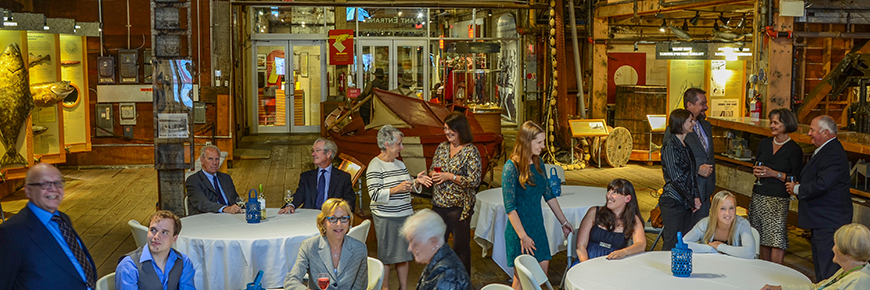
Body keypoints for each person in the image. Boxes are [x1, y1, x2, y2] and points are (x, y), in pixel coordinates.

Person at [0, 163, 98, 289]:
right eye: (44, 184)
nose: (53, 189)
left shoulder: (63, 219)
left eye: (58, 183)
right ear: (28, 190)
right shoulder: (11, 232)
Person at [502, 121, 573, 290]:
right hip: (519, 231)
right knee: (521, 279)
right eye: (539, 142)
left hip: (537, 227)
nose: (543, 146)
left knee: (541, 278)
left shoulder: (539, 162)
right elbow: (510, 208)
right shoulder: (510, 168)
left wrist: (564, 222)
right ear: (526, 141)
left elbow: (549, 195)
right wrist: (523, 237)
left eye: (543, 142)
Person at [786, 115, 853, 281]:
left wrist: (798, 188)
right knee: (821, 265)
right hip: (821, 220)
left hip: (829, 221)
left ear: (825, 132)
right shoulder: (826, 149)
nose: (809, 133)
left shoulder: (833, 153)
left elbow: (823, 184)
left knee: (828, 269)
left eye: (812, 130)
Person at [366, 124, 433, 290]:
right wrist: (396, 189)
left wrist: (416, 182)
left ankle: (403, 288)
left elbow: (407, 185)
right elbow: (374, 194)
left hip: (405, 215)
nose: (401, 148)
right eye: (399, 144)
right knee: (387, 256)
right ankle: (385, 288)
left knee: (404, 255)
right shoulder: (375, 165)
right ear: (387, 145)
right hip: (386, 217)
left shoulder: (399, 164)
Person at [428, 112, 482, 276]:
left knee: (461, 249)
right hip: (438, 205)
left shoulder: (471, 152)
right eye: (445, 128)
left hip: (459, 208)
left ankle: (462, 282)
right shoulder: (442, 147)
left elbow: (475, 180)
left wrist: (450, 176)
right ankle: (438, 280)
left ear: (461, 130)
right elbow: (432, 169)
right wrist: (433, 175)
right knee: (435, 246)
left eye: (452, 129)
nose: (447, 132)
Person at [749, 108, 803, 264]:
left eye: (775, 122)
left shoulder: (794, 149)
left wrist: (773, 173)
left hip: (778, 199)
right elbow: (757, 164)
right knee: (761, 237)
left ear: (786, 124)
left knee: (776, 239)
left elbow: (795, 177)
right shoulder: (764, 143)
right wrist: (757, 171)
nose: (772, 125)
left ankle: (776, 273)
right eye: (771, 122)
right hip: (759, 194)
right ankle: (764, 270)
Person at [284, 198, 368, 290]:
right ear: (323, 222)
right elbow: (291, 280)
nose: (339, 224)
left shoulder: (360, 249)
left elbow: (360, 287)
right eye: (332, 218)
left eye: (344, 218)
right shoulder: (309, 246)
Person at [760, 223, 870, 290]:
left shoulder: (857, 283)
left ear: (847, 254)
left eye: (836, 245)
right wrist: (780, 289)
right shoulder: (849, 271)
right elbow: (817, 287)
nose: (832, 249)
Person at [664, 88, 714, 223]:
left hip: (705, 190)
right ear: (689, 105)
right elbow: (671, 161)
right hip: (686, 193)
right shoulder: (675, 129)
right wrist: (697, 169)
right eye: (702, 104)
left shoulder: (706, 125)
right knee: (684, 234)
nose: (706, 107)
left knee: (701, 231)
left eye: (706, 103)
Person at [116, 210, 196, 290]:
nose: (156, 236)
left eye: (164, 232)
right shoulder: (128, 266)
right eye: (153, 230)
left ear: (174, 239)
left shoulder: (184, 262)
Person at [573, 179, 646, 265]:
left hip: (613, 264)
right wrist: (587, 265)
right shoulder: (594, 212)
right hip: (587, 260)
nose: (609, 196)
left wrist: (624, 252)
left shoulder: (632, 219)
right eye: (609, 191)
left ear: (627, 198)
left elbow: (641, 244)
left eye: (615, 192)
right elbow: (580, 247)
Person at [660, 109, 702, 251]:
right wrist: (691, 199)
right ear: (681, 123)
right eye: (690, 121)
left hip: (685, 201)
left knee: (683, 240)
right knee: (672, 241)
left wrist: (695, 196)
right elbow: (676, 178)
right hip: (673, 201)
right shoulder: (670, 146)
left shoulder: (686, 146)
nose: (693, 123)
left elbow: (691, 174)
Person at [401, 209, 473, 290]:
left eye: (415, 243)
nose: (410, 248)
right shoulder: (438, 259)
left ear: (433, 242)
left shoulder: (448, 277)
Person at [279, 139, 356, 214]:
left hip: (331, 218)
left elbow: (350, 202)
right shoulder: (307, 177)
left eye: (317, 150)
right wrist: (290, 206)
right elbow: (299, 196)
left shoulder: (343, 177)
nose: (313, 154)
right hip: (308, 217)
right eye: (313, 151)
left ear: (329, 153)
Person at [684, 191, 757, 259]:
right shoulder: (705, 223)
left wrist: (721, 247)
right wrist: (711, 249)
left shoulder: (742, 224)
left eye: (731, 208)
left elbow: (750, 253)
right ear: (714, 210)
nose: (728, 213)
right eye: (723, 209)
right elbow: (684, 243)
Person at [186, 145, 242, 214]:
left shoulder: (226, 178)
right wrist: (224, 208)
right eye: (210, 159)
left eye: (217, 159)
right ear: (202, 160)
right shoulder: (193, 180)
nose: (215, 162)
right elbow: (202, 203)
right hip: (207, 219)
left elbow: (236, 200)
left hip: (231, 217)